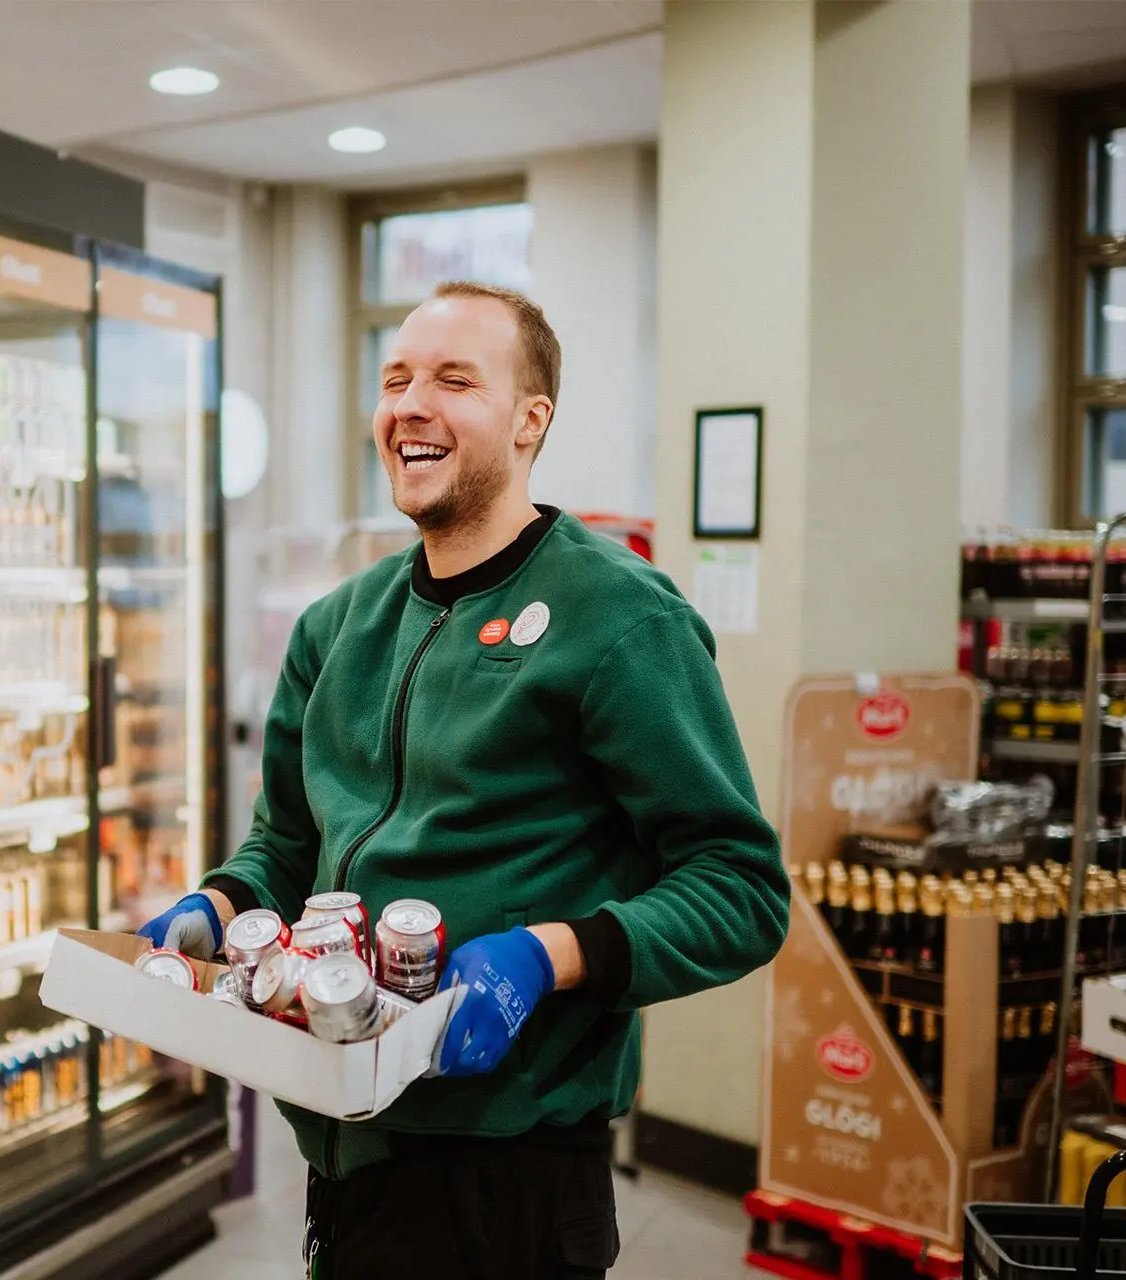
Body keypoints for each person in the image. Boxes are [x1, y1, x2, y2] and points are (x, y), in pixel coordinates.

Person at [138, 281, 789, 1279]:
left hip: (512, 1171)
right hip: (346, 1138)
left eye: (454, 379)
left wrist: (550, 954)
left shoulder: (618, 617)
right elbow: (287, 844)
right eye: (395, 378)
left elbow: (739, 885)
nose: (410, 404)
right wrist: (219, 901)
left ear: (532, 420)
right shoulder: (336, 627)